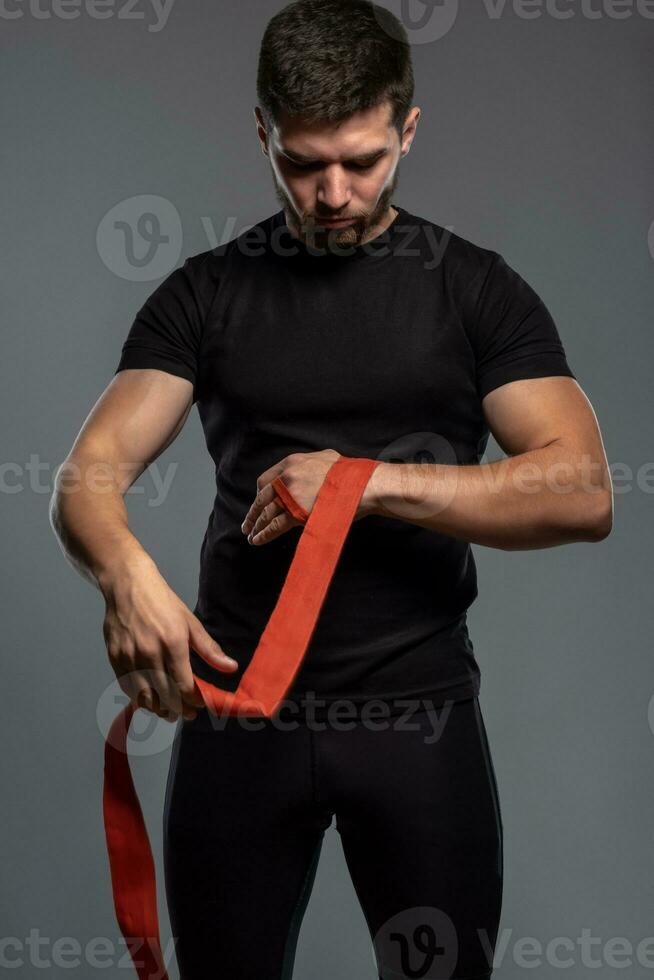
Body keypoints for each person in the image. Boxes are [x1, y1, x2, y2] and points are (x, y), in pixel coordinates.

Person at [49, 1, 613, 977]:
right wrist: (123, 572)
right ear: (262, 131)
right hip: (240, 715)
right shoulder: (205, 294)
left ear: (409, 127)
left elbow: (582, 489)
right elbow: (88, 473)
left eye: (363, 159)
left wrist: (365, 482)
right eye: (304, 164)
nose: (335, 192)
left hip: (417, 715)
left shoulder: (475, 290)